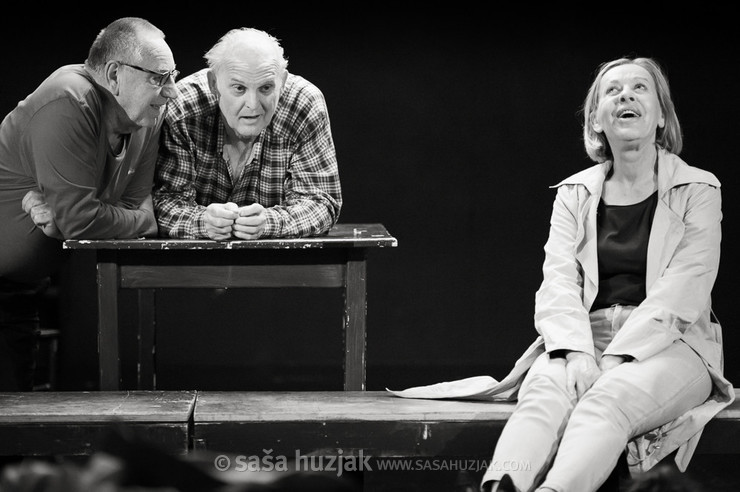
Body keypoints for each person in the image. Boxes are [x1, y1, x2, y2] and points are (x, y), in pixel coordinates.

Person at [387, 56, 734, 492]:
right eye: (612, 90)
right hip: (582, 338)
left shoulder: (699, 189)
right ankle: (500, 486)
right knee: (542, 398)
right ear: (596, 119)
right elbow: (558, 283)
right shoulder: (574, 193)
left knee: (605, 401)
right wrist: (578, 353)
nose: (625, 95)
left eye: (639, 88)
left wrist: (612, 360)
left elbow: (683, 291)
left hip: (670, 345)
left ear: (661, 115)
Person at [0, 17, 179, 390]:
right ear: (114, 73)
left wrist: (90, 215)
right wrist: (136, 219)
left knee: (14, 425)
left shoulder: (146, 117)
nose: (172, 92)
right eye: (159, 78)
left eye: (173, 77)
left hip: (22, 287)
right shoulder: (68, 99)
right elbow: (85, 221)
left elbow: (131, 208)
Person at [153, 27, 342, 240]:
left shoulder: (304, 105)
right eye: (239, 88)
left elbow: (322, 202)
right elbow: (164, 202)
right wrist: (202, 222)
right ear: (214, 84)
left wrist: (270, 222)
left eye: (266, 88)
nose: (253, 105)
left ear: (283, 81)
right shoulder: (184, 109)